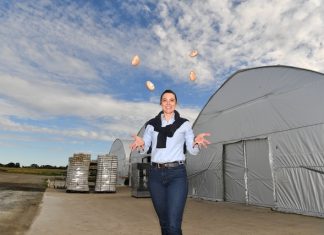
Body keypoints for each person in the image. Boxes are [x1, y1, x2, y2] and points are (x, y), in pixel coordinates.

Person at [130, 89, 211, 235]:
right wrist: (141, 144)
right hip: (155, 175)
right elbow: (145, 149)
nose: (168, 103)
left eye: (171, 100)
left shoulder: (184, 124)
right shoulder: (151, 125)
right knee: (164, 223)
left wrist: (195, 143)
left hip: (177, 175)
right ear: (161, 103)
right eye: (165, 100)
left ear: (176, 103)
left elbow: (192, 151)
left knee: (174, 225)